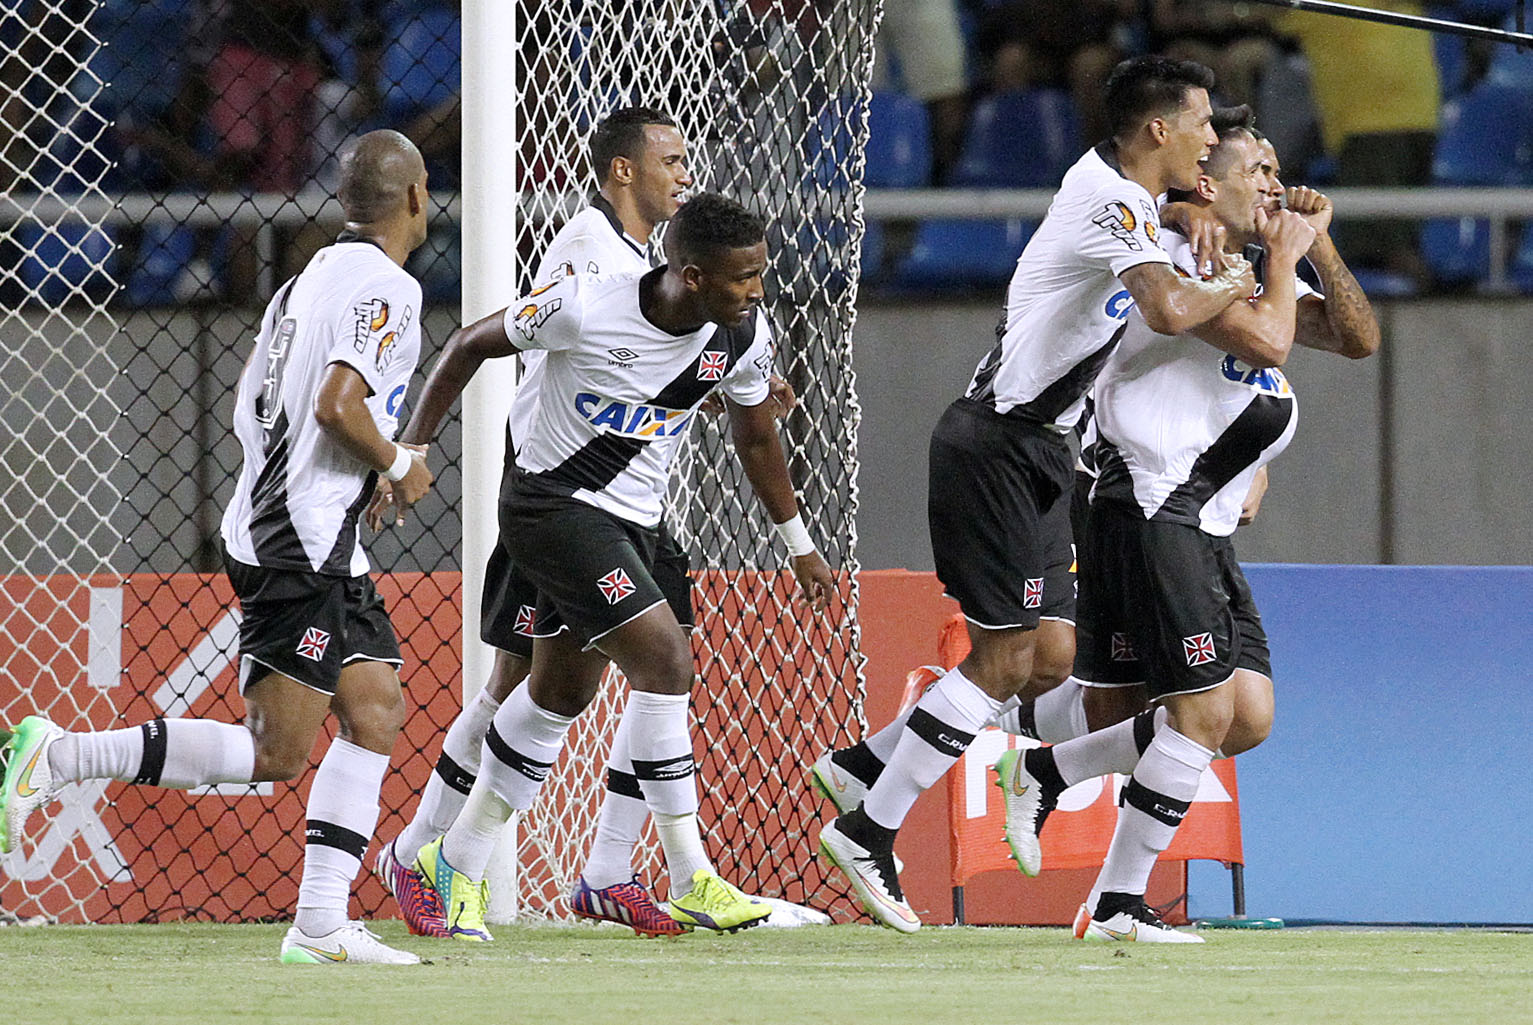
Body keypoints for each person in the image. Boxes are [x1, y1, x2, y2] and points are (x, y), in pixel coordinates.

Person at [813, 55, 1255, 933]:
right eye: (1203, 122)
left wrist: (1190, 211)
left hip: (1038, 454)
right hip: (999, 447)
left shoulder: (1117, 189)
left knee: (1052, 652)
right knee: (1009, 659)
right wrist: (1242, 274)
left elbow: (1148, 244)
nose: (1213, 139)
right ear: (1158, 130)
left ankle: (868, 761)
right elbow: (1167, 312)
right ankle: (868, 827)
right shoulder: (1109, 202)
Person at [1, 130, 436, 964]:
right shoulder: (389, 291)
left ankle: (318, 924)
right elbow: (338, 406)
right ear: (416, 197)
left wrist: (344, 473)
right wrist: (395, 461)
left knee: (375, 707)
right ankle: (58, 755)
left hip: (299, 528)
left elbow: (259, 409)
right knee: (276, 751)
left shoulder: (300, 284)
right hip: (298, 542)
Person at [388, 192, 834, 941]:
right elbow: (467, 343)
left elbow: (756, 439)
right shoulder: (584, 309)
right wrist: (415, 446)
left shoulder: (742, 334)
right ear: (691, 275)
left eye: (760, 272)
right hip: (552, 508)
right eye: (742, 276)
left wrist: (800, 542)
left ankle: (453, 857)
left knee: (559, 692)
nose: (757, 289)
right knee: (665, 660)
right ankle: (690, 872)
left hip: (636, 523)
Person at [998, 107, 1380, 943]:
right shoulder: (1185, 259)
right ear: (1205, 183)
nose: (1276, 186)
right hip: (1146, 502)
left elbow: (1357, 338)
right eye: (1257, 172)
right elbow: (1269, 344)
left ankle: (1037, 761)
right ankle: (1114, 901)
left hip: (1198, 521)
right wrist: (1267, 251)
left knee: (1241, 715)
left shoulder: (1256, 265)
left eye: (1281, 172)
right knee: (1193, 716)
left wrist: (1313, 245)